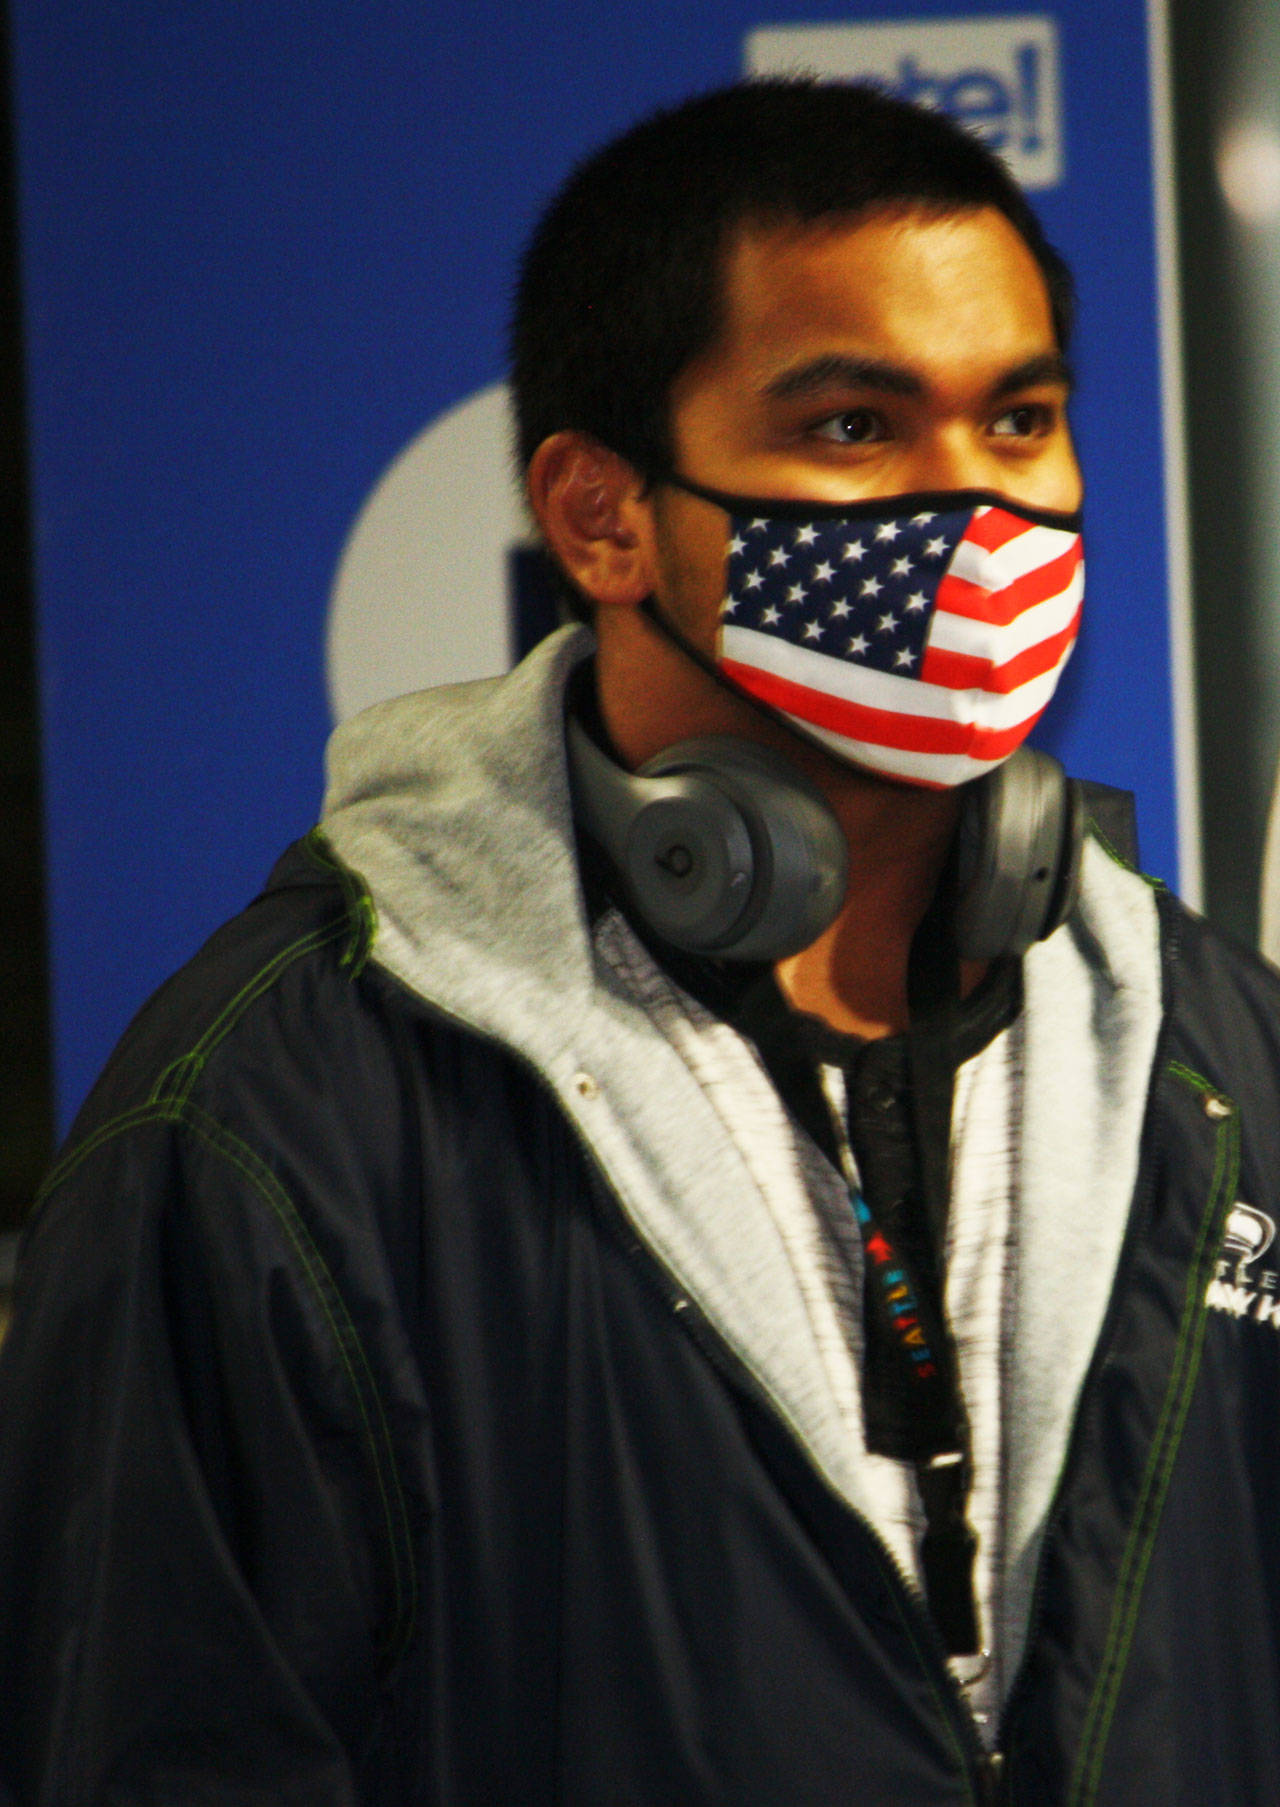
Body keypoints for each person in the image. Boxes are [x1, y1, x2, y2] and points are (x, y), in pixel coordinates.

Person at [3, 79, 1280, 1807]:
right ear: (604, 517)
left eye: (1021, 419)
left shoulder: (1217, 1059)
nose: (972, 507)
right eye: (852, 427)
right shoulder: (269, 1125)